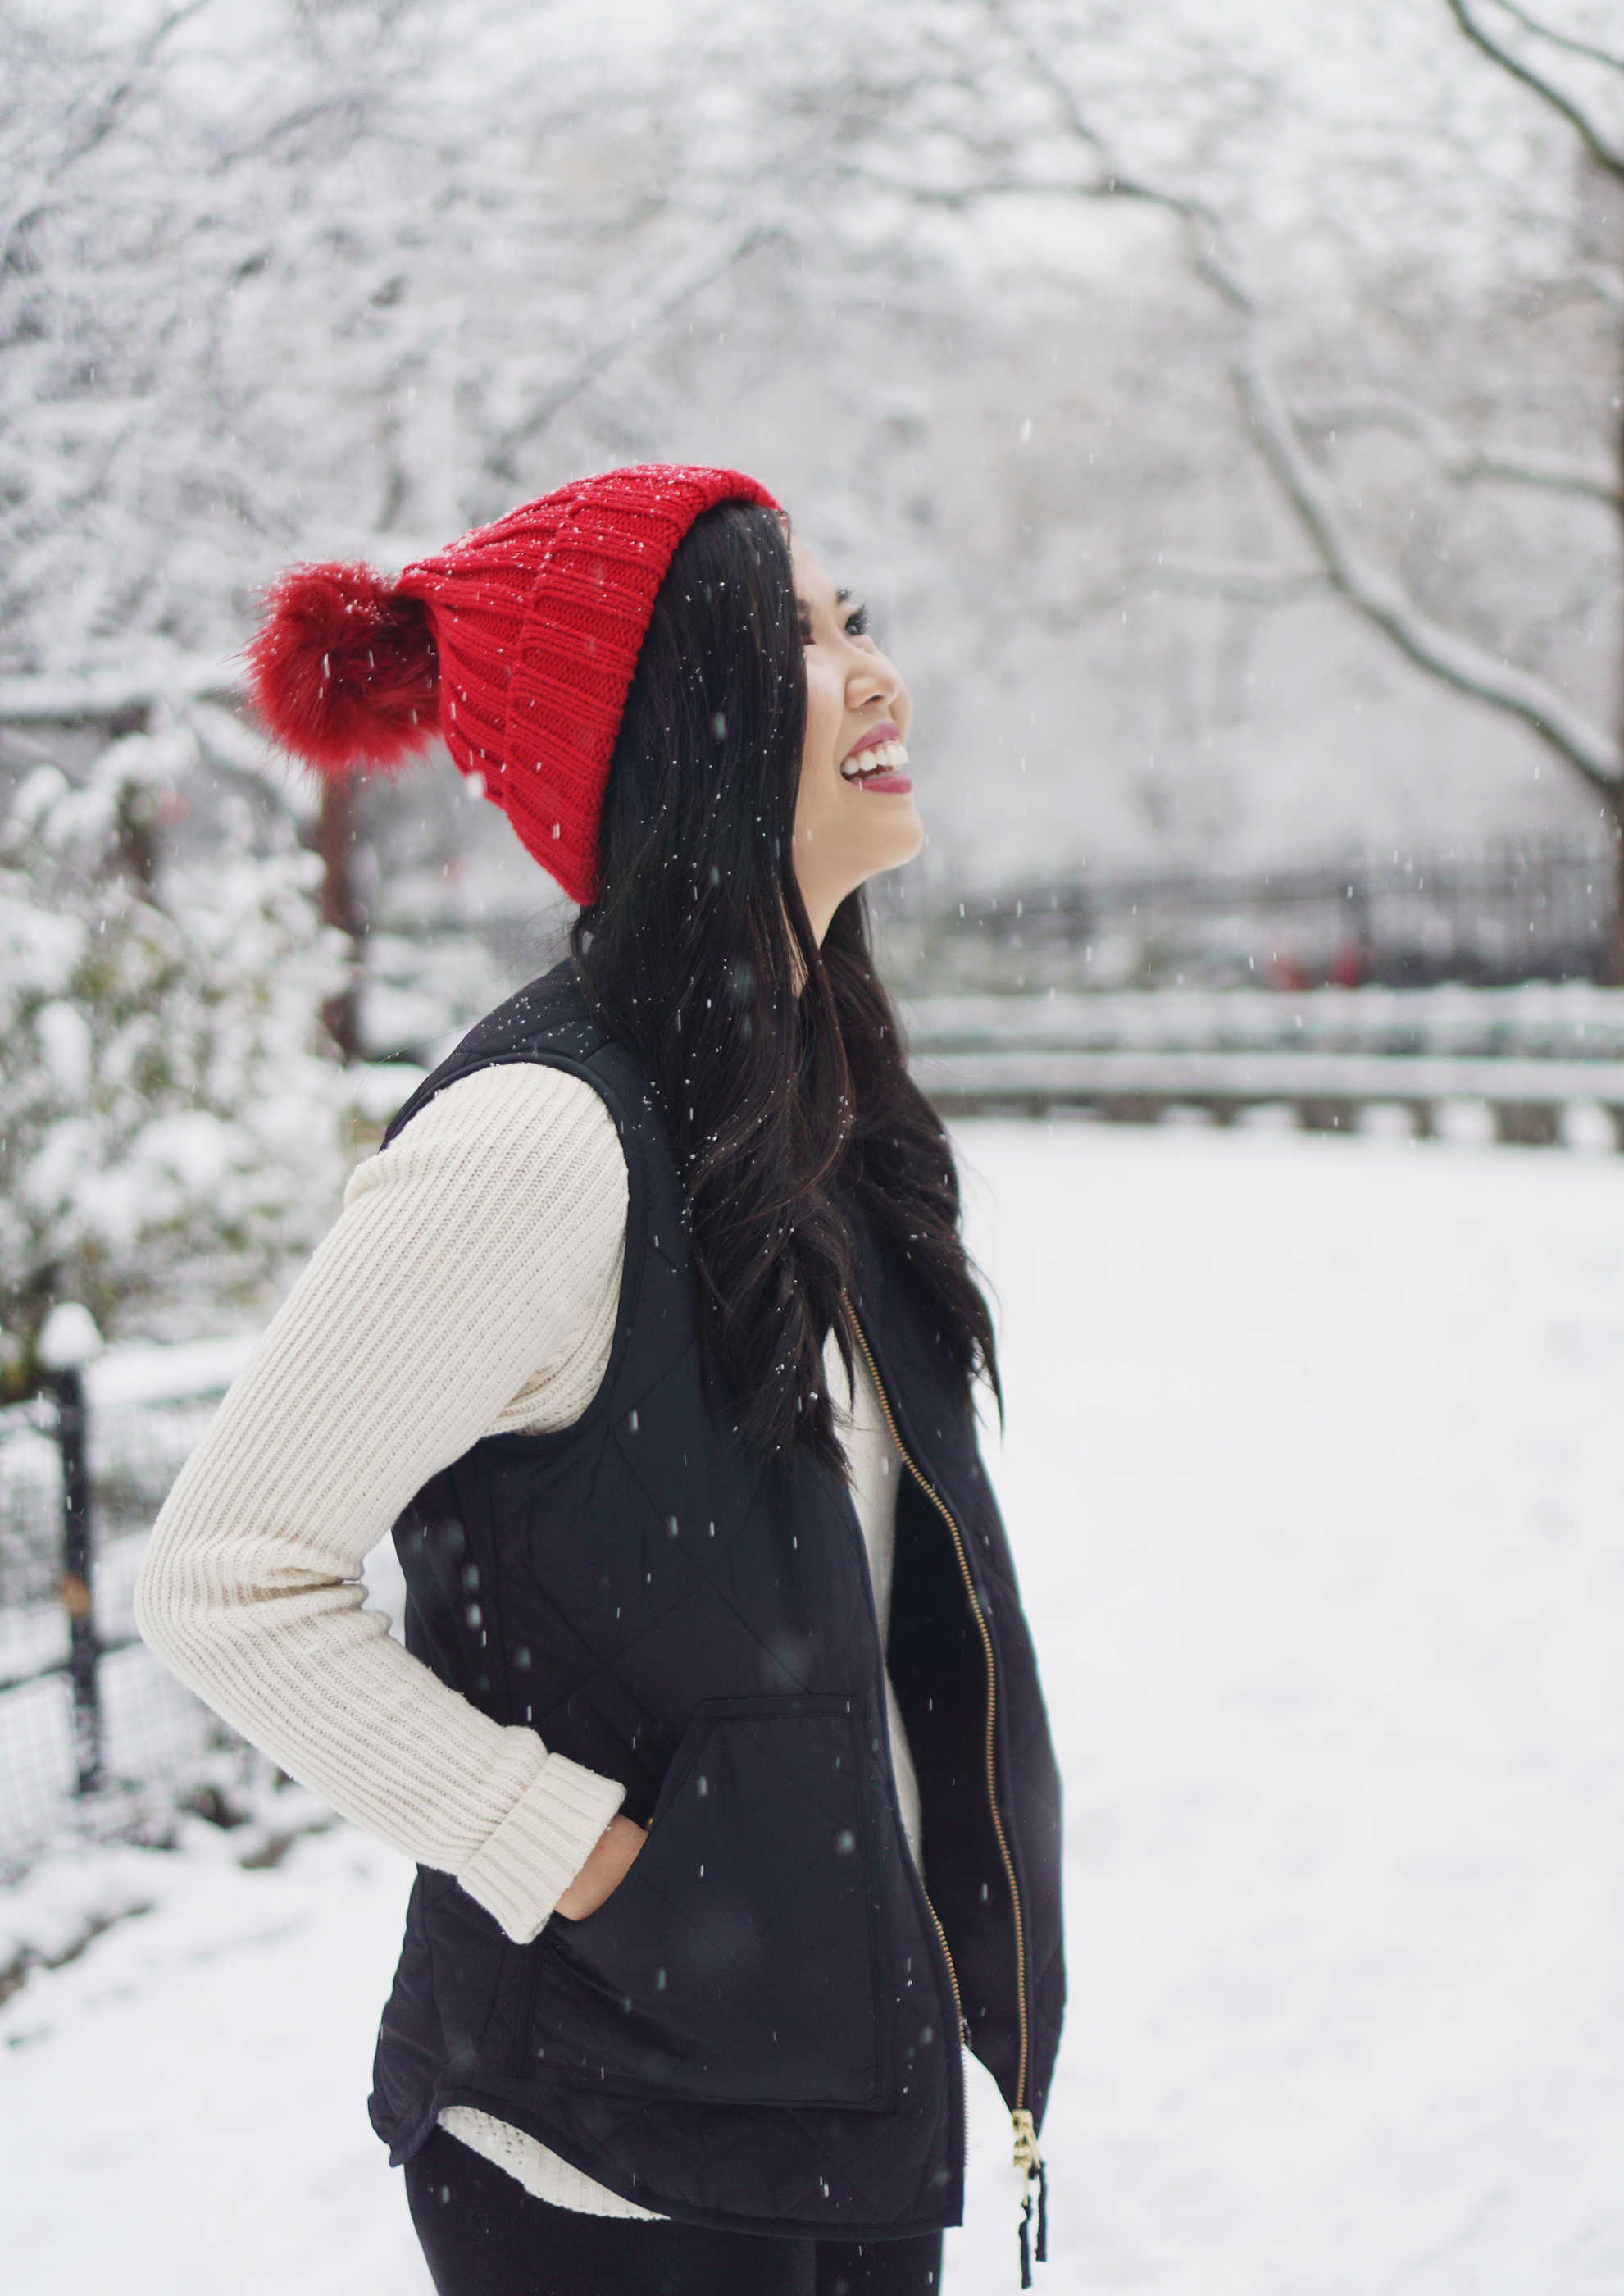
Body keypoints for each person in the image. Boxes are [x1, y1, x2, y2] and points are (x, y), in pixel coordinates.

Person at [136, 463, 1063, 2296]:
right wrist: (577, 1853)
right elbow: (225, 1571)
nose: (869, 671)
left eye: (853, 615)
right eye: (791, 636)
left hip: (834, 2098)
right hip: (609, 2160)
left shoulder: (817, 1112)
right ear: (681, 734)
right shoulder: (547, 1133)